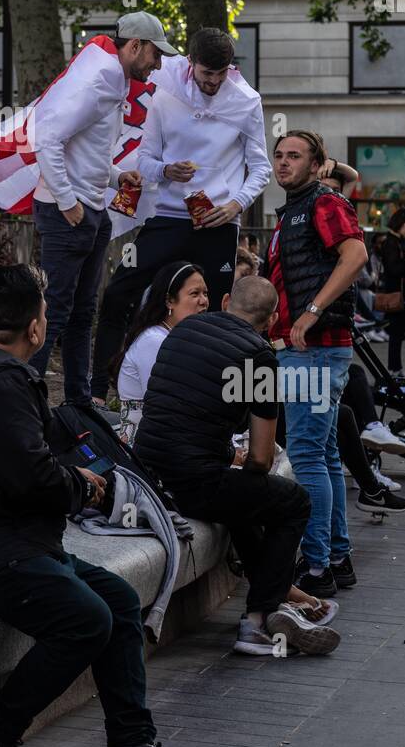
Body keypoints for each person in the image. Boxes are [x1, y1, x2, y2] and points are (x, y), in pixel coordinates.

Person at [0, 263, 206, 747]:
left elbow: (19, 468)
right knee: (84, 618)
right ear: (35, 329)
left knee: (116, 599)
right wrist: (83, 485)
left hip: (4, 536)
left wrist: (64, 479)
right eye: (46, 313)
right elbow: (33, 479)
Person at [133, 276, 341, 656]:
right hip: (191, 483)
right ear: (274, 318)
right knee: (293, 500)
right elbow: (261, 459)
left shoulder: (185, 329)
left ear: (226, 300)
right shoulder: (260, 358)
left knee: (243, 502)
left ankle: (279, 596)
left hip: (145, 471)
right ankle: (259, 621)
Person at [90, 27, 271, 402]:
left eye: (222, 75)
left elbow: (261, 168)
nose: (214, 82)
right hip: (168, 216)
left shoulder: (246, 101)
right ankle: (96, 391)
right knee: (118, 290)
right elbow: (145, 158)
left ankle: (215, 400)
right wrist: (166, 171)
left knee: (219, 313)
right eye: (208, 74)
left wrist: (236, 204)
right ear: (191, 64)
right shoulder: (165, 92)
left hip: (218, 223)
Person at [29, 11, 179, 408]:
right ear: (134, 47)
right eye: (155, 55)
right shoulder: (100, 83)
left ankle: (79, 403)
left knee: (81, 313)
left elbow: (85, 151)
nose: (158, 64)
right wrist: (67, 202)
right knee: (58, 309)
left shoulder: (111, 82)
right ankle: (26, 401)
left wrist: (116, 178)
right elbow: (45, 138)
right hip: (71, 214)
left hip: (88, 211)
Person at [265, 130, 368, 599]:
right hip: (307, 347)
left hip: (315, 348)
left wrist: (311, 311)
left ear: (316, 164)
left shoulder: (323, 203)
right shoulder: (294, 211)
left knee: (306, 454)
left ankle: (317, 567)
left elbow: (356, 255)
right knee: (323, 454)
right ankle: (337, 557)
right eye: (279, 155)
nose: (284, 163)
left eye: (295, 156)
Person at [115, 262, 208, 445]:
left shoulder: (180, 338)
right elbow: (165, 407)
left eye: (205, 293)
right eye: (194, 294)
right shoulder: (154, 341)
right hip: (149, 447)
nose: (204, 301)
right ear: (169, 301)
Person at [380, 207, 405, 377]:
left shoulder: (403, 241)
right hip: (398, 297)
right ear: (400, 224)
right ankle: (395, 369)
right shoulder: (390, 243)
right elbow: (394, 270)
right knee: (396, 336)